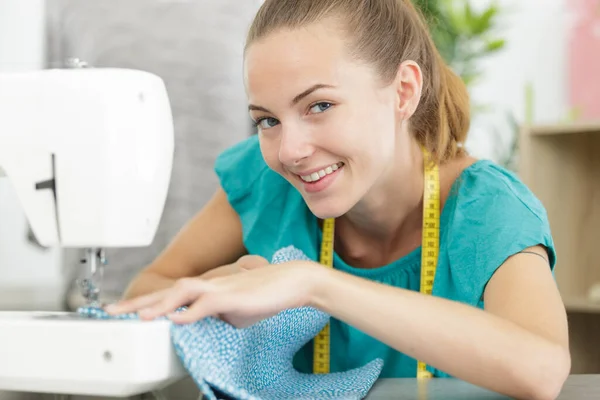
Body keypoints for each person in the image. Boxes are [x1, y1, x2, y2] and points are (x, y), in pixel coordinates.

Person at [106, 0, 571, 398]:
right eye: (267, 120)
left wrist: (312, 285)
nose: (290, 151)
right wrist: (223, 283)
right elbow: (147, 289)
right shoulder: (263, 182)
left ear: (404, 92)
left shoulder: (488, 210)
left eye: (320, 106)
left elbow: (542, 368)